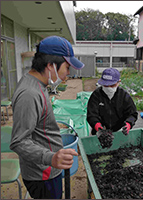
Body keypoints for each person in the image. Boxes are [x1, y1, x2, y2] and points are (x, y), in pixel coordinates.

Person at [10, 36, 84, 199]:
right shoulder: (29, 94)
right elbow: (18, 141)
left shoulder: (39, 85)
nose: (68, 75)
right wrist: (50, 158)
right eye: (67, 67)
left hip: (48, 169)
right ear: (51, 65)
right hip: (42, 174)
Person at [86, 68, 137, 136]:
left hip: (119, 132)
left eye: (112, 85)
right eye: (106, 85)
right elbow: (91, 114)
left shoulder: (124, 96)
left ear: (118, 82)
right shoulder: (96, 95)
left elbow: (132, 114)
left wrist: (128, 124)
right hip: (99, 132)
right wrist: (97, 126)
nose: (109, 88)